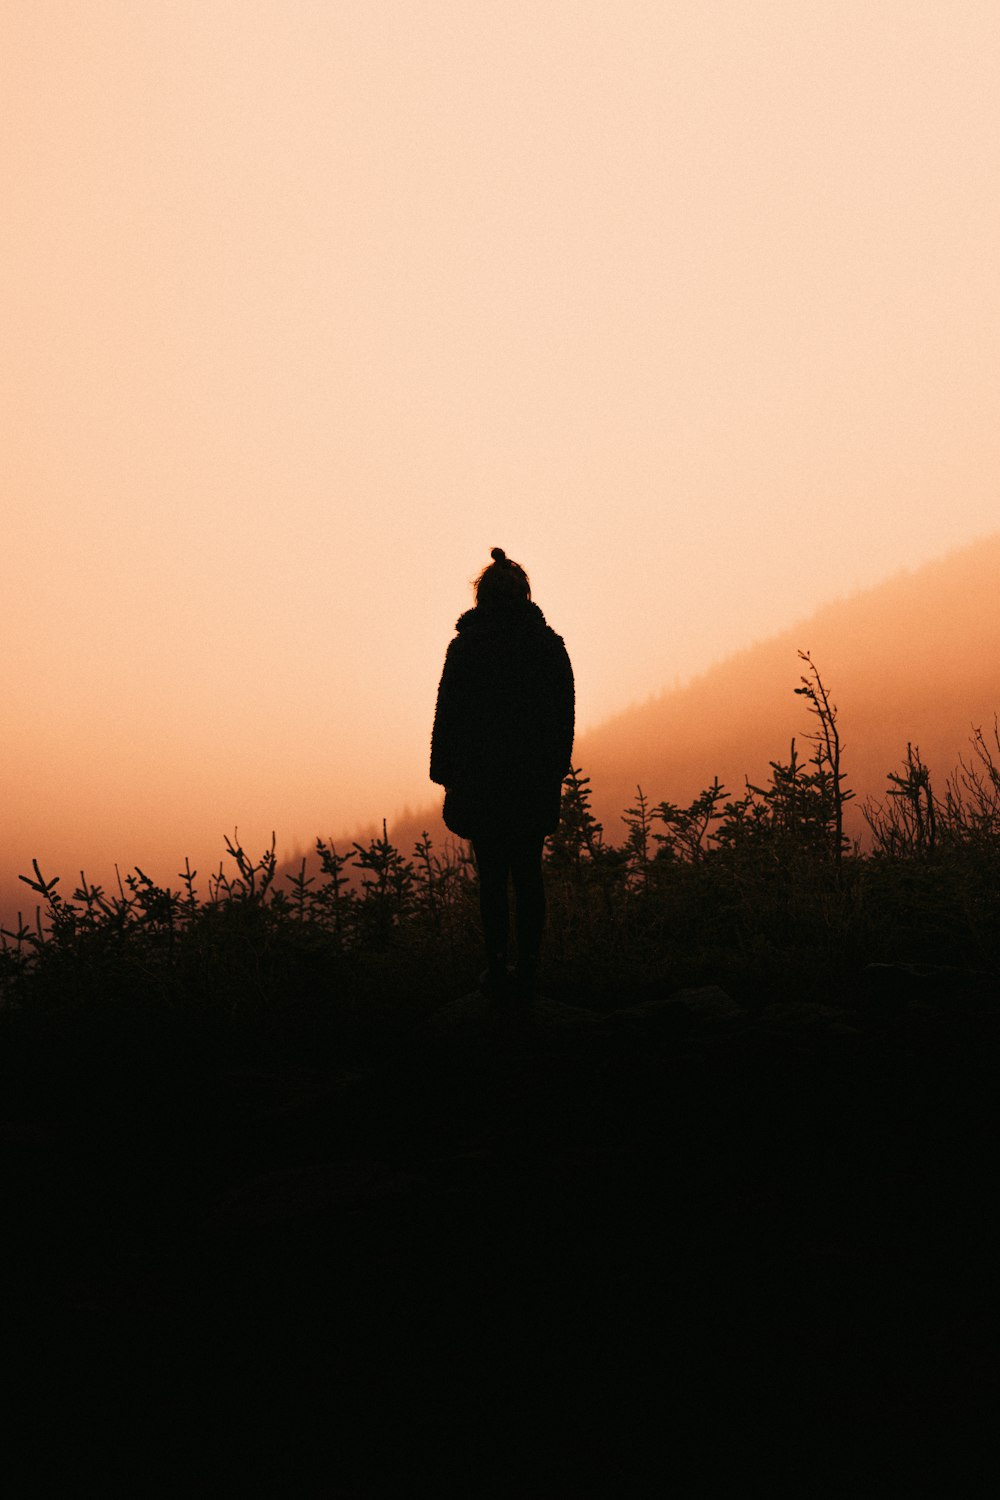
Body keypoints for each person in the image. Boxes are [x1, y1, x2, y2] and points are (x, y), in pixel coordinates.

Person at [430, 548, 575, 997]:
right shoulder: (548, 646)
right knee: (528, 873)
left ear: (481, 597)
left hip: (482, 782)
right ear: (524, 593)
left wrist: (446, 771)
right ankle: (528, 968)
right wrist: (554, 771)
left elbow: (447, 715)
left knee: (492, 876)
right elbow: (563, 716)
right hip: (531, 782)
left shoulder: (466, 648)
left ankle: (496, 969)